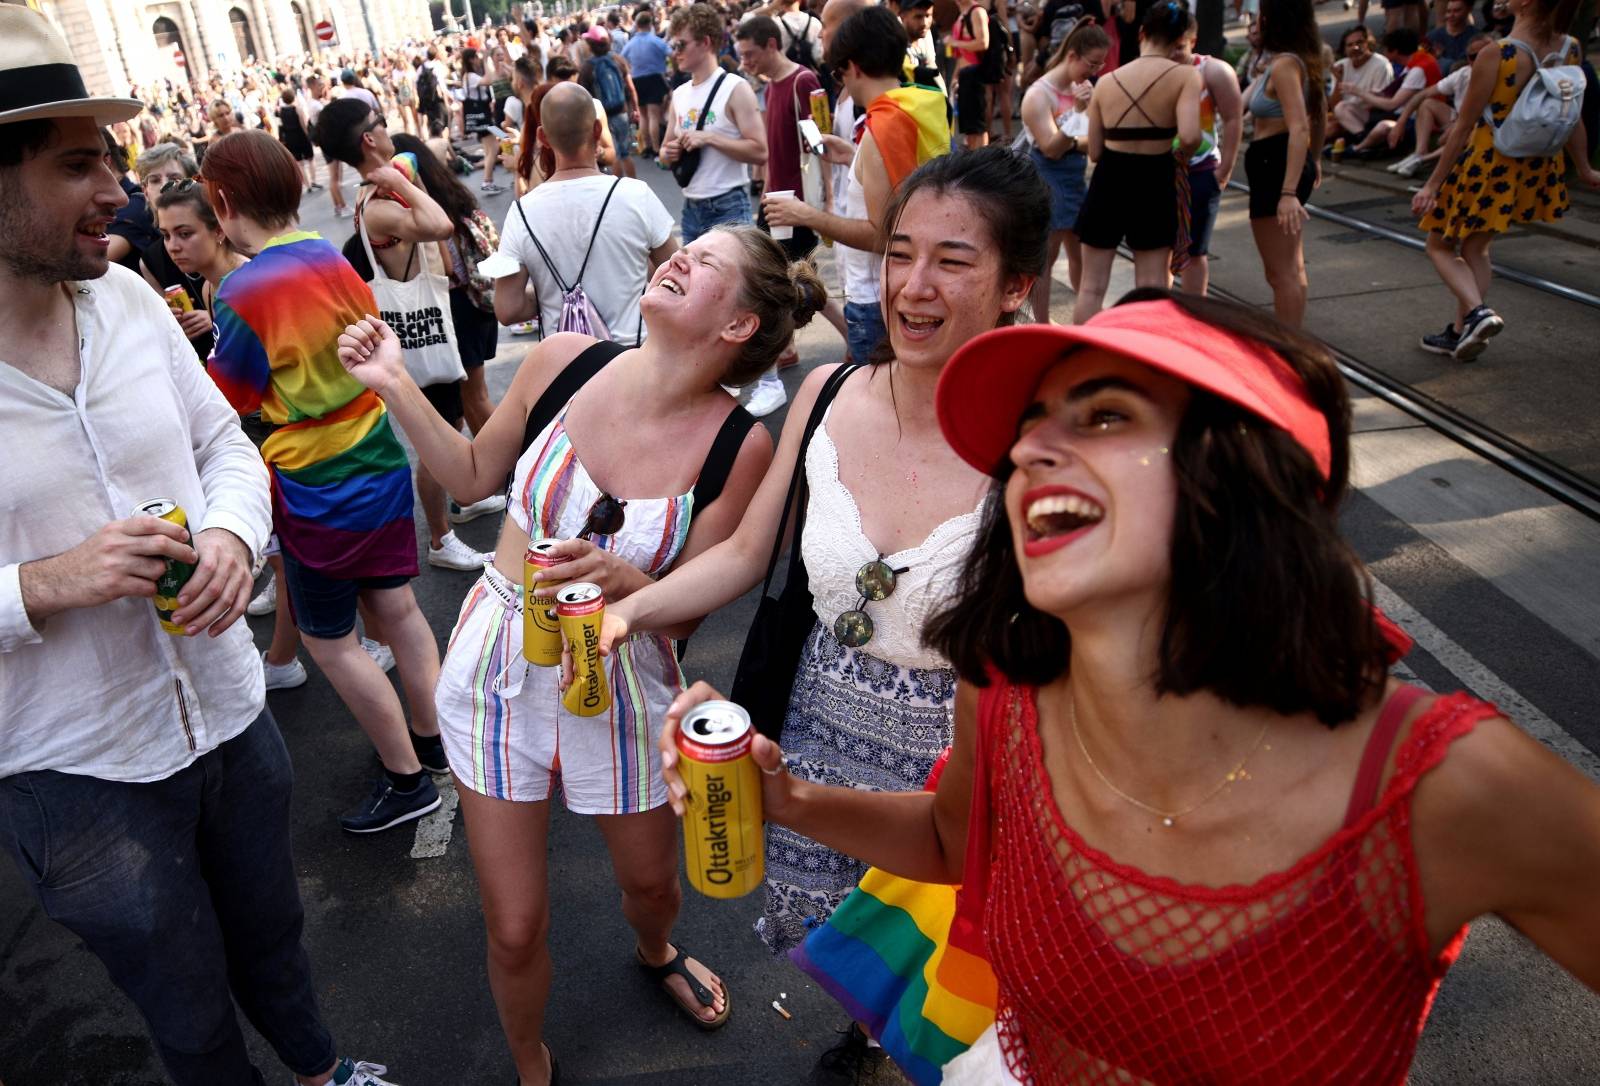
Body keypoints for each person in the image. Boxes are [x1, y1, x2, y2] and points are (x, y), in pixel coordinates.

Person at [659, 284, 1600, 1084]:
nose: (1027, 452)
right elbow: (956, 839)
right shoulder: (1009, 687)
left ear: (1238, 472)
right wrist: (784, 797)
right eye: (1030, 427)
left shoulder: (1443, 786)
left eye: (1105, 415)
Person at [0, 11, 398, 1085]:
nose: (116, 192)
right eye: (80, 164)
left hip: (229, 715)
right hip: (78, 771)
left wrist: (230, 535)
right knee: (184, 1009)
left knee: (275, 946)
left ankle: (320, 1074)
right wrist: (43, 584)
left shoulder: (129, 299)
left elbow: (225, 442)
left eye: (111, 160)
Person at [334, 221, 823, 1086]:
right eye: (687, 246)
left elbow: (681, 619)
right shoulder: (564, 359)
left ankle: (655, 947)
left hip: (626, 685)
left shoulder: (736, 448)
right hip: (495, 668)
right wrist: (392, 384)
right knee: (514, 924)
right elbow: (473, 474)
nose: (680, 256)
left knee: (650, 885)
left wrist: (627, 577)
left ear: (740, 326)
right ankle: (531, 1065)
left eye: (706, 263)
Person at [601, 145, 1047, 1081]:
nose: (913, 287)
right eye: (898, 252)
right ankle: (874, 1031)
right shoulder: (829, 389)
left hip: (962, 762)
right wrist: (628, 612)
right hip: (819, 728)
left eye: (953, 261)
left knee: (969, 985)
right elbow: (742, 552)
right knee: (845, 940)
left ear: (1017, 286)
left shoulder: (1047, 437)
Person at [203, 129, 449, 834]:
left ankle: (407, 780)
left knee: (331, 642)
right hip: (375, 454)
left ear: (222, 202)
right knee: (398, 610)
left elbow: (236, 397)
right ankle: (432, 743)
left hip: (315, 484)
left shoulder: (241, 290)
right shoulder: (331, 255)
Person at [315, 96, 495, 573]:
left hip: (435, 320)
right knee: (437, 436)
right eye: (380, 123)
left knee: (450, 424)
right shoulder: (376, 201)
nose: (389, 128)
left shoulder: (382, 188)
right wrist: (399, 181)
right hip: (424, 329)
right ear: (369, 139)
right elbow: (439, 225)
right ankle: (439, 538)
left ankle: (462, 501)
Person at [763, 5, 951, 364]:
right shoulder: (913, 105)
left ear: (854, 67)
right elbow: (906, 183)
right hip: (901, 287)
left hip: (876, 294)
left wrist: (806, 214)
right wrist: (853, 156)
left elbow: (883, 234)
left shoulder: (882, 129)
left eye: (839, 72)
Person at [1412, 0, 1598, 360]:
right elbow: (1571, 115)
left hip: (1489, 162)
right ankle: (1461, 331)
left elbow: (1462, 127)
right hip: (1533, 165)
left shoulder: (1497, 54)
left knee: (1438, 246)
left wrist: (1432, 183)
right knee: (1476, 248)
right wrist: (1585, 167)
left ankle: (1477, 313)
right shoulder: (1569, 47)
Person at [496, 83, 678, 347]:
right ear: (596, 129)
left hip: (564, 367)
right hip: (633, 361)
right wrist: (631, 275)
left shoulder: (522, 211)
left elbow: (508, 309)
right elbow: (674, 270)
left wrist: (549, 295)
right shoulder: (636, 195)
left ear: (543, 137)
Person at [733, 15, 849, 411]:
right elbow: (773, 148)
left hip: (798, 202)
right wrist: (765, 190)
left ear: (770, 44)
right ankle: (826, 341)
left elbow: (822, 140)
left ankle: (775, 372)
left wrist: (827, 200)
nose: (745, 62)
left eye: (749, 54)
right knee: (796, 277)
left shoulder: (802, 81)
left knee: (781, 282)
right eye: (742, 55)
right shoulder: (771, 86)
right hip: (777, 198)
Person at [1071, 0, 1202, 322]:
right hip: (1156, 176)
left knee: (1090, 287)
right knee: (1153, 285)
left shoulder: (1107, 82)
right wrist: (1179, 157)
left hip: (1110, 177)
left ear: (1142, 32)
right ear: (1178, 40)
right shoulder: (1185, 76)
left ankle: (1084, 356)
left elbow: (1096, 152)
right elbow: (1190, 136)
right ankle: (1148, 358)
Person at [1241, 0, 1325, 327]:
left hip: (1274, 166)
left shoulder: (1285, 65)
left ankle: (1288, 347)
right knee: (1290, 266)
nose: (1257, 21)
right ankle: (1291, 342)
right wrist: (1314, 159)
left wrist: (1288, 192)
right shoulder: (1305, 59)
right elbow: (1317, 116)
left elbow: (1301, 124)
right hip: (1280, 163)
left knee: (1282, 272)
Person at [1020, 20, 1108, 321]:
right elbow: (1050, 148)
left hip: (1075, 178)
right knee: (1047, 258)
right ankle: (1042, 325)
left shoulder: (1078, 88)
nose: (1095, 72)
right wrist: (1079, 119)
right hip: (1048, 177)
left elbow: (1095, 143)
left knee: (1081, 252)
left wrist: (1073, 136)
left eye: (1100, 65)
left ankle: (1089, 320)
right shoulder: (1038, 95)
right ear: (1072, 55)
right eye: (1092, 64)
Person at [660, 4, 768, 245]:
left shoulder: (735, 88)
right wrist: (669, 152)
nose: (675, 52)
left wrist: (709, 138)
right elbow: (664, 153)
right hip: (690, 208)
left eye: (681, 45)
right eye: (673, 45)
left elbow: (760, 152)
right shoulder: (679, 94)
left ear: (705, 42)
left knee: (738, 283)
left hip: (728, 206)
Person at [1171, 11, 1243, 297]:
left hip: (1201, 172)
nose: (1174, 53)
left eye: (1180, 46)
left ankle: (1193, 316)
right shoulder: (1154, 69)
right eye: (1168, 46)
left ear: (1193, 41)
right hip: (1162, 172)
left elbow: (1233, 118)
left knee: (1195, 251)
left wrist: (1224, 170)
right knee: (1160, 250)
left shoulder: (1212, 70)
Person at [1381, 33, 1493, 175]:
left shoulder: (1503, 74)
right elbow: (1422, 95)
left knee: (1467, 132)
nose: (1479, 60)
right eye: (1473, 57)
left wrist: (1459, 125)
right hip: (1459, 119)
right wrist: (1400, 123)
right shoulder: (1462, 74)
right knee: (1427, 103)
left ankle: (1423, 161)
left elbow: (1392, 103)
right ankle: (1419, 153)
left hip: (1483, 125)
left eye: (1485, 54)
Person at [579, 26, 642, 180]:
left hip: (601, 116)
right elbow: (631, 88)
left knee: (612, 153)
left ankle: (615, 188)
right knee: (625, 153)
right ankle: (634, 184)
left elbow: (582, 96)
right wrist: (636, 109)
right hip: (621, 112)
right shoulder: (618, 60)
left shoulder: (587, 67)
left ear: (591, 44)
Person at [1329, 27, 1396, 140]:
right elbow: (1334, 106)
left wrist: (1357, 94)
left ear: (1368, 43)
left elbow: (1380, 103)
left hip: (1372, 115)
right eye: (1350, 45)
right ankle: (1361, 137)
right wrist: (1339, 81)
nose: (1355, 48)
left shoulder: (1381, 65)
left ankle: (1363, 139)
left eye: (1359, 42)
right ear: (1344, 49)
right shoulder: (1341, 66)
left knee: (1340, 111)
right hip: (1346, 115)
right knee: (1327, 126)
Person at [622, 11, 671, 157]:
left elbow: (622, 58)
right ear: (650, 24)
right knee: (654, 115)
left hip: (637, 79)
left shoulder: (631, 43)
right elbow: (671, 53)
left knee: (643, 116)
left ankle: (646, 147)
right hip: (655, 78)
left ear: (637, 25)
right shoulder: (656, 41)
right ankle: (656, 147)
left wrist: (631, 69)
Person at [461, 48, 506, 194]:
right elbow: (490, 80)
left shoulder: (467, 76)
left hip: (480, 118)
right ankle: (487, 181)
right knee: (494, 147)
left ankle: (488, 180)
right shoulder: (471, 76)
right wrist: (487, 61)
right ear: (471, 60)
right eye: (476, 57)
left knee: (490, 148)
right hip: (483, 118)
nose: (478, 59)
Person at [950, 0, 994, 147]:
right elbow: (961, 55)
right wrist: (955, 77)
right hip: (965, 75)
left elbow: (983, 43)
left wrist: (955, 42)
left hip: (975, 73)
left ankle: (981, 163)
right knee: (969, 128)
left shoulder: (976, 12)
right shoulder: (961, 14)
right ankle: (975, 162)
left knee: (978, 127)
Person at [277, 87, 317, 190]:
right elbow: (303, 124)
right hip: (301, 136)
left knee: (300, 163)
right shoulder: (297, 109)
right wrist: (309, 136)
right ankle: (313, 180)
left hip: (290, 139)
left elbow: (281, 126)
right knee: (310, 158)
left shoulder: (281, 111)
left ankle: (307, 185)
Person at [1427, 0, 1478, 72]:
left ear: (1469, 9)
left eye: (1457, 11)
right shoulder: (1432, 37)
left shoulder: (1476, 37)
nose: (1451, 15)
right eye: (1448, 11)